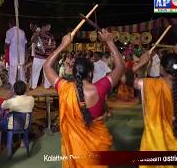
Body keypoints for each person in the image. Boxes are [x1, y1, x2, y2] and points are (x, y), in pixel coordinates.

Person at [43, 29, 125, 167]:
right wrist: (110, 42)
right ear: (91, 72)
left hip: (76, 152)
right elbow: (121, 67)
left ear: (73, 72)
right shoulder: (101, 87)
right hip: (97, 150)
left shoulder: (64, 88)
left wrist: (63, 45)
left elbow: (46, 66)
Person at [132, 51, 177, 161]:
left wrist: (141, 63)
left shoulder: (150, 84)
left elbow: (124, 78)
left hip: (155, 145)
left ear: (161, 69)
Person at [30, 23, 56, 89]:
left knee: (47, 72)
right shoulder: (37, 34)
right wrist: (37, 33)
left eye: (50, 27)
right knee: (35, 72)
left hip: (47, 57)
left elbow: (54, 46)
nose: (49, 29)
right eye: (48, 27)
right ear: (43, 27)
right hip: (38, 56)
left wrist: (50, 47)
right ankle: (33, 86)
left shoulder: (51, 36)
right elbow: (32, 40)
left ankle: (47, 86)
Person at [5, 19, 27, 86]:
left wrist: (6, 50)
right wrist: (25, 53)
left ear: (10, 24)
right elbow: (25, 43)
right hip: (21, 55)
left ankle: (13, 87)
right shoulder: (22, 32)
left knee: (12, 73)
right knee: (21, 72)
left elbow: (7, 43)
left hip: (13, 56)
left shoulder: (9, 31)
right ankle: (23, 86)